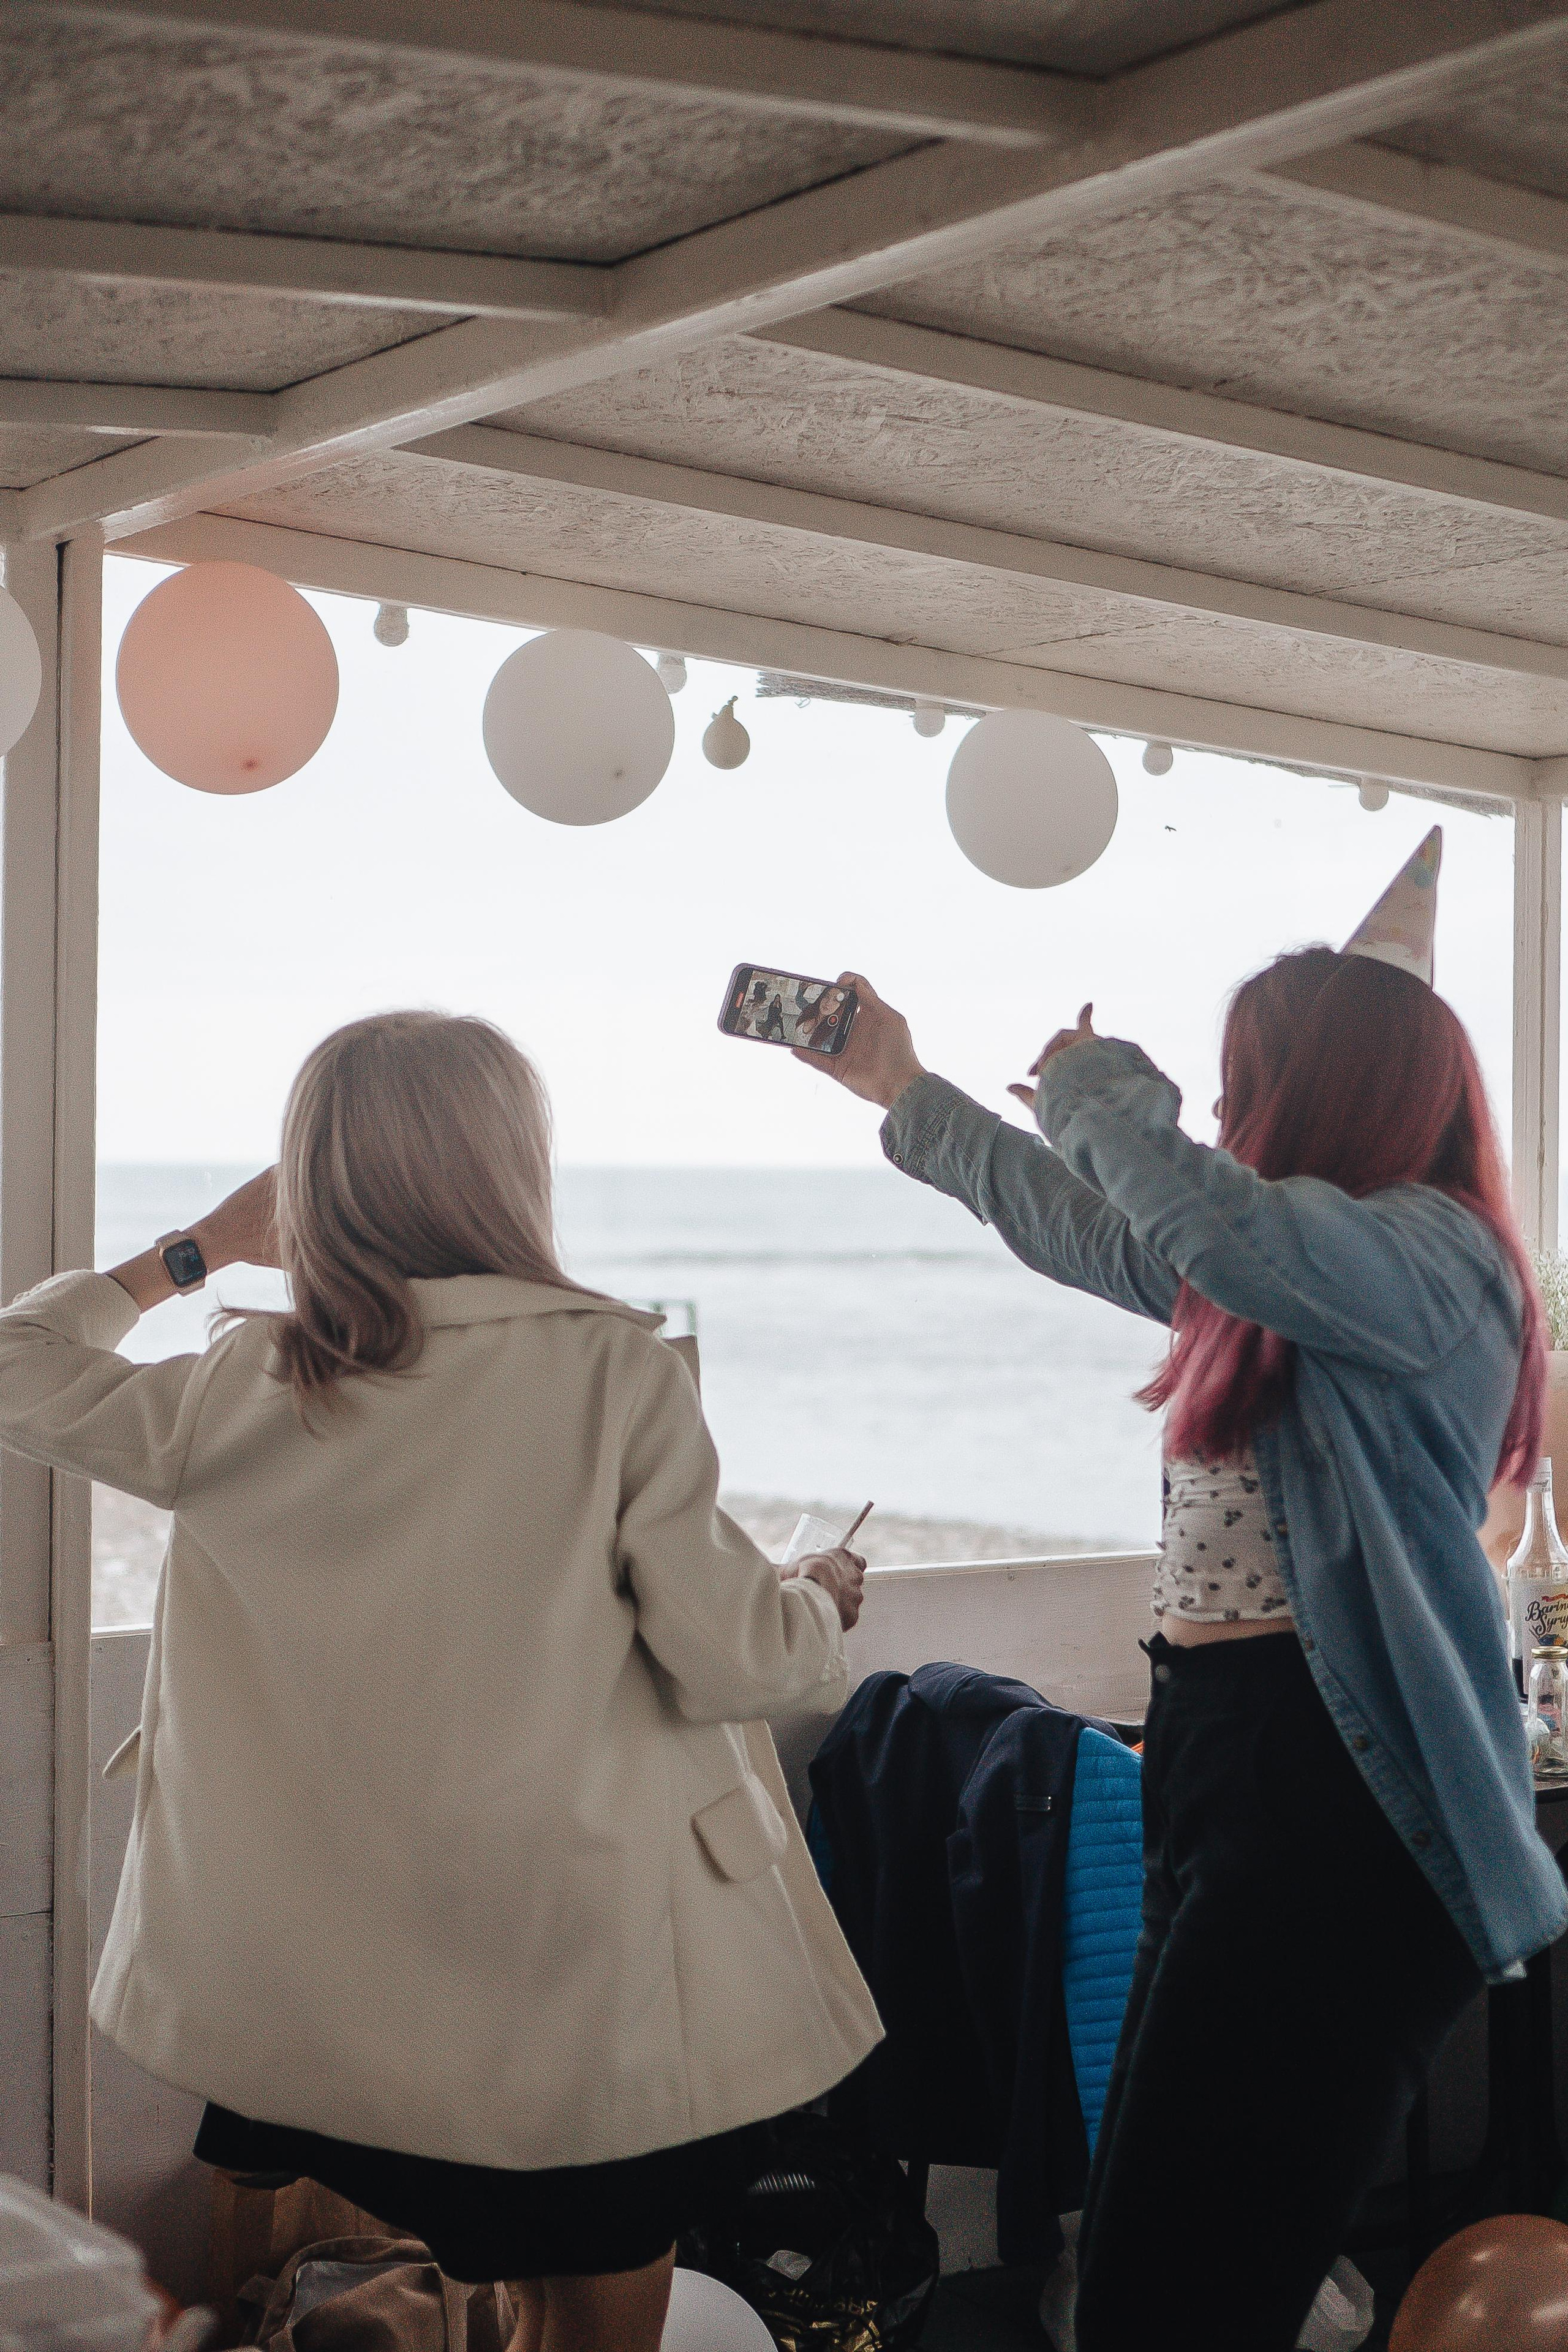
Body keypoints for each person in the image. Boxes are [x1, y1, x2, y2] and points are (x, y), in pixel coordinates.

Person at [0, 1012, 880, 2352]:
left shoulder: (247, 1378)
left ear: (310, 1180)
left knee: (474, 2281)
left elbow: (17, 1367)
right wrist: (817, 1594)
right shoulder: (610, 1372)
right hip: (565, 1977)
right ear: (512, 1166)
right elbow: (739, 1659)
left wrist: (199, 1251)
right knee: (592, 2318)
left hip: (326, 1988)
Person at [797, 830, 1568, 2352]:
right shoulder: (1292, 1279)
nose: (1217, 1117)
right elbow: (1093, 1222)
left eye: (1242, 1085)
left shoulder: (1430, 1263)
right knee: (1151, 2260)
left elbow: (1188, 1206)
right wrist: (902, 1086)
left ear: (1325, 1092)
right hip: (1229, 1762)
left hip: (1333, 1802)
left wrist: (1098, 1094)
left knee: (1180, 2290)